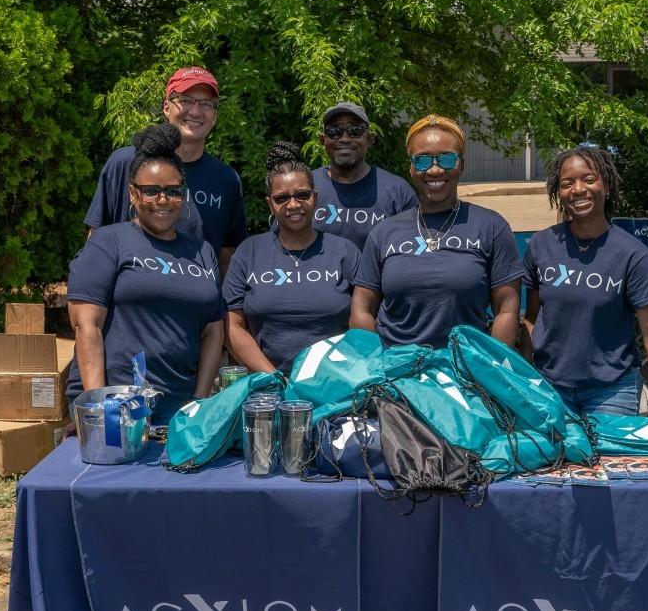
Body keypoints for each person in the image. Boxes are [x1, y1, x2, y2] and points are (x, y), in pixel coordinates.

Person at [519, 146, 648, 431]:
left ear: (607, 185)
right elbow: (531, 318)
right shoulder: (541, 245)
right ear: (558, 192)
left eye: (589, 179)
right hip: (549, 388)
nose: (578, 189)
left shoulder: (632, 254)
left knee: (607, 468)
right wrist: (527, 378)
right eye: (567, 183)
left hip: (611, 391)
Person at [68, 123, 225, 424]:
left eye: (173, 192)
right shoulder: (109, 241)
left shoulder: (202, 251)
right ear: (132, 193)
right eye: (151, 191)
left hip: (179, 410)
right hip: (119, 406)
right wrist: (100, 410)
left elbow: (213, 331)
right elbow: (86, 326)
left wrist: (199, 402)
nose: (162, 201)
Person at [351, 114, 523, 348]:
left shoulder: (491, 226)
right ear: (410, 168)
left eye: (447, 159)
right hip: (397, 371)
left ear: (462, 164)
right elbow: (362, 308)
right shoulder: (384, 232)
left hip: (466, 370)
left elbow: (507, 309)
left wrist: (489, 369)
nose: (434, 170)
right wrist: (374, 365)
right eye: (422, 161)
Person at [84, 67, 247, 276]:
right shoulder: (125, 163)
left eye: (205, 103)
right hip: (130, 303)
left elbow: (226, 259)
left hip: (195, 303)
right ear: (167, 107)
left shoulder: (226, 180)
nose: (196, 111)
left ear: (214, 116)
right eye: (186, 100)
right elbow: (95, 241)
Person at [224, 142, 361, 373]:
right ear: (270, 204)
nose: (293, 204)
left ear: (315, 197)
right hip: (266, 388)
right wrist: (274, 378)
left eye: (302, 195)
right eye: (282, 198)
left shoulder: (344, 251)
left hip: (337, 385)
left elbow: (365, 318)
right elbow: (231, 325)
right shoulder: (250, 252)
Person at [310, 101, 417, 250]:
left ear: (369, 139)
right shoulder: (306, 186)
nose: (345, 139)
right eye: (334, 132)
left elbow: (416, 248)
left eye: (355, 131)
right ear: (323, 140)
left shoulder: (397, 191)